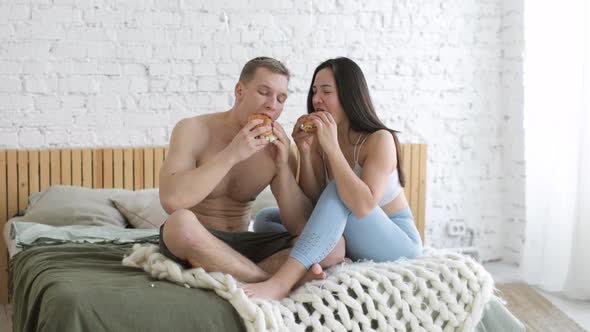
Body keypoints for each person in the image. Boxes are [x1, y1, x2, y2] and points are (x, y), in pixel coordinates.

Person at [244, 57, 423, 300]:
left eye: (326, 91)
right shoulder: (321, 138)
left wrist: (332, 148)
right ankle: (333, 254)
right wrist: (305, 151)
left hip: (397, 242)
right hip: (353, 233)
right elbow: (314, 203)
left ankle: (282, 282)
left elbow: (363, 205)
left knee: (339, 190)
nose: (317, 99)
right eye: (315, 91)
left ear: (349, 96)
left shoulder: (380, 139)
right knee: (266, 218)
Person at [158, 57, 345, 285]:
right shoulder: (193, 129)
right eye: (264, 92)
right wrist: (232, 154)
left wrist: (282, 167)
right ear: (239, 91)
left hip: (247, 243)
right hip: (200, 241)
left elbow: (300, 226)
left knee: (333, 245)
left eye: (281, 98)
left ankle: (242, 274)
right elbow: (172, 200)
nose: (272, 104)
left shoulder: (278, 146)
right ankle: (268, 280)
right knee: (178, 224)